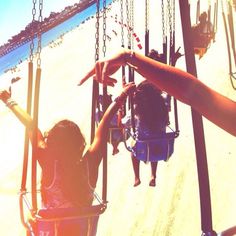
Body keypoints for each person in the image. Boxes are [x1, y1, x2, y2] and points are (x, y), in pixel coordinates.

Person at [0, 82, 135, 235]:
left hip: (52, 231)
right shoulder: (90, 164)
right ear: (80, 144)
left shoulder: (48, 164)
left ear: (51, 146)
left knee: (32, 220)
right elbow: (103, 125)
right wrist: (123, 95)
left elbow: (31, 126)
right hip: (82, 231)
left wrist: (8, 100)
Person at [78, 49, 236, 137]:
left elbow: (193, 93)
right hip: (156, 132)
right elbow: (192, 93)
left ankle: (139, 175)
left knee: (135, 154)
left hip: (145, 137)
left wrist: (129, 58)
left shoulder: (136, 116)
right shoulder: (159, 109)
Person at [127, 81, 169, 187]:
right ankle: (153, 175)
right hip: (158, 148)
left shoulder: (137, 110)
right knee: (154, 146)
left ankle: (137, 176)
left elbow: (123, 123)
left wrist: (121, 108)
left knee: (133, 148)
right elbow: (168, 97)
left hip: (142, 147)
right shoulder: (162, 105)